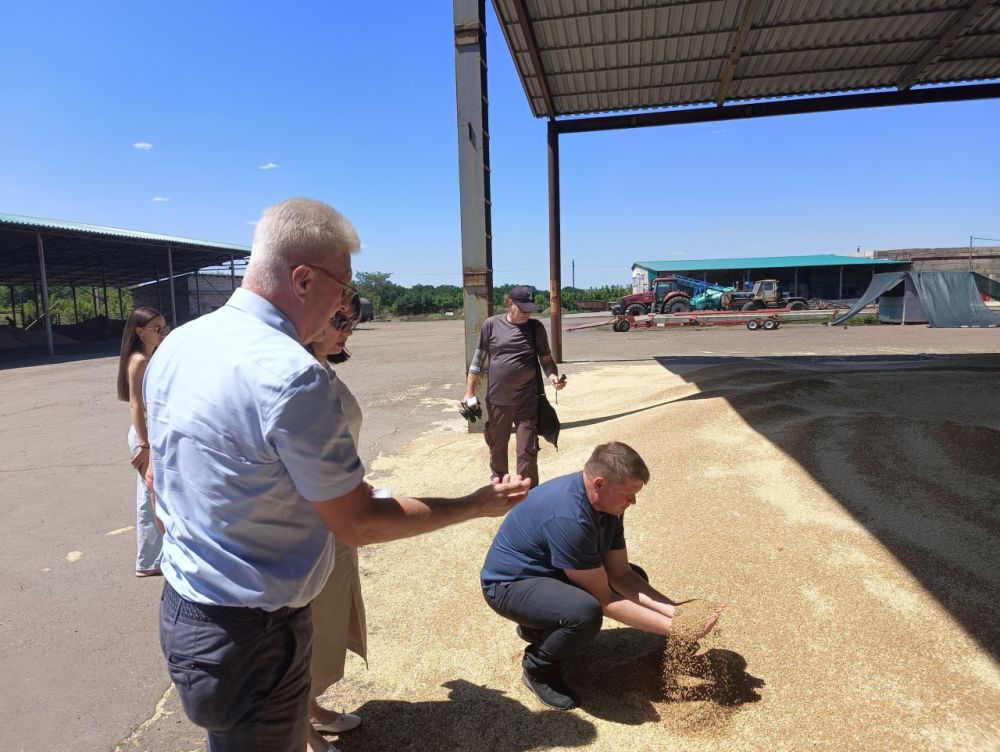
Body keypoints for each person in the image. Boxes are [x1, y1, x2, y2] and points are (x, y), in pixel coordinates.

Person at [144, 197, 530, 752]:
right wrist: (473, 504)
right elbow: (356, 524)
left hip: (189, 610)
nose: (343, 305)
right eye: (341, 287)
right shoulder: (291, 374)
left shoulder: (182, 342)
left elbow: (160, 475)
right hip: (254, 631)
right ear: (303, 279)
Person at [480, 441, 726, 711]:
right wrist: (677, 630)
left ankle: (539, 626)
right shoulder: (569, 517)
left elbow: (621, 574)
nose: (633, 501)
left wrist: (678, 612)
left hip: (551, 573)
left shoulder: (608, 506)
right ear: (599, 484)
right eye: (628, 494)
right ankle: (538, 668)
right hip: (508, 586)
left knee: (637, 575)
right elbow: (605, 599)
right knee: (584, 612)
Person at [306, 293, 366, 752]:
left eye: (353, 321)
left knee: (329, 617)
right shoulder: (299, 374)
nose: (349, 329)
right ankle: (300, 729)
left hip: (336, 510)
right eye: (342, 319)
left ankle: (308, 708)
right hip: (313, 521)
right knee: (312, 623)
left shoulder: (322, 367)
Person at [463, 286, 565, 487]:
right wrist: (469, 392)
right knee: (497, 446)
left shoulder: (536, 328)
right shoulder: (491, 325)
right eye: (523, 308)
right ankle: (500, 483)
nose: (528, 313)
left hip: (527, 400)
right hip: (498, 401)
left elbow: (546, 359)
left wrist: (552, 376)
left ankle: (527, 490)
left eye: (530, 309)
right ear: (510, 303)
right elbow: (477, 361)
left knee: (526, 448)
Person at [116, 306, 167, 577]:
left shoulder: (147, 357)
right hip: (144, 432)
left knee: (154, 492)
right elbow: (135, 405)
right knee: (150, 495)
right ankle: (149, 561)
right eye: (156, 329)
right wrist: (145, 445)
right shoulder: (139, 360)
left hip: (149, 431)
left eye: (163, 328)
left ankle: (154, 558)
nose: (161, 334)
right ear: (139, 332)